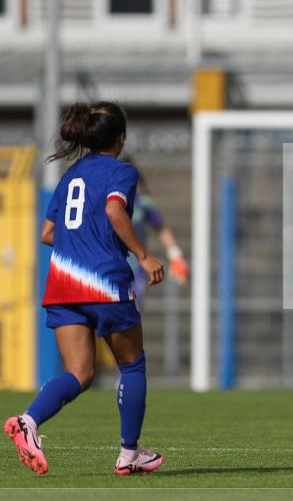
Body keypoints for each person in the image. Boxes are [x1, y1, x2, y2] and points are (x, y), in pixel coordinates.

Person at [4, 102, 166, 476]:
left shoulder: (70, 174)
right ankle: (129, 454)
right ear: (120, 138)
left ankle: (28, 421)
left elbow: (47, 233)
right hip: (105, 281)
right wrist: (142, 255)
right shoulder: (122, 171)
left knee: (79, 372)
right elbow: (113, 211)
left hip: (63, 284)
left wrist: (79, 244)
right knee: (132, 363)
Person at [120, 155, 189, 305]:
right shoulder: (102, 201)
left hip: (136, 268)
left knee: (132, 312)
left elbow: (161, 228)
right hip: (108, 265)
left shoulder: (142, 203)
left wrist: (175, 255)